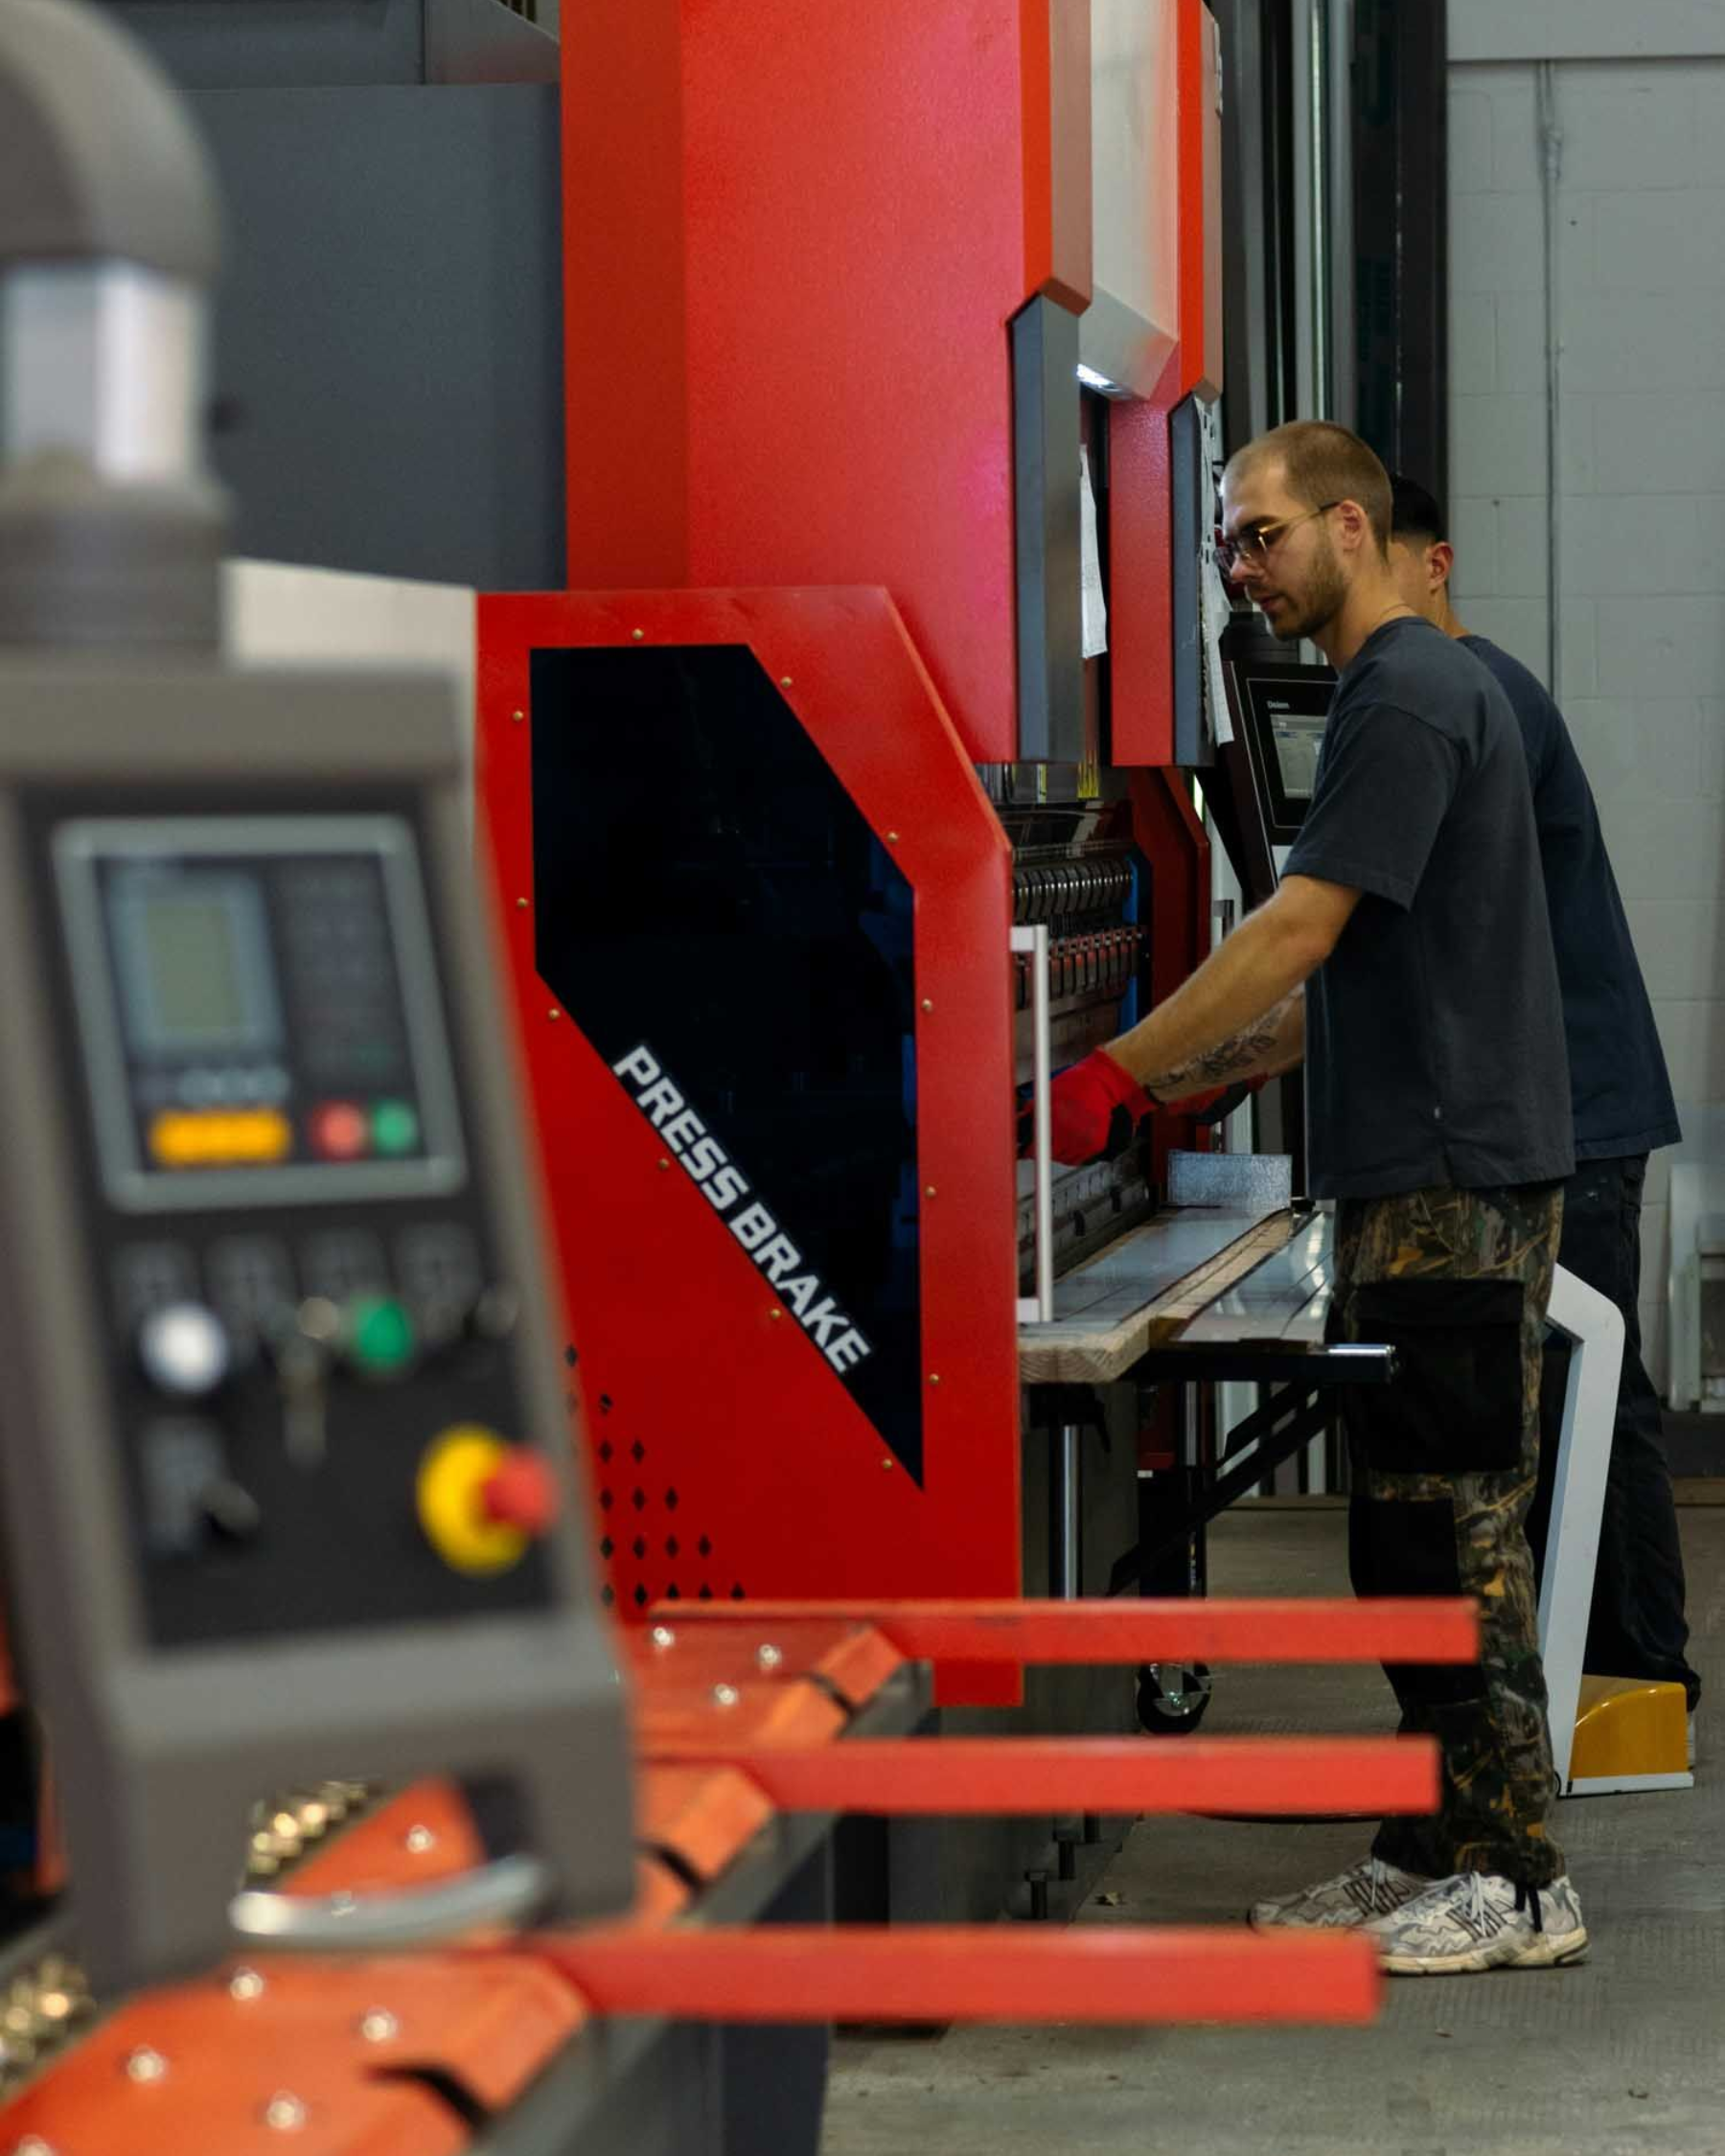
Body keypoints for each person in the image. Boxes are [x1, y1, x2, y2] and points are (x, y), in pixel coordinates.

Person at [1046, 421, 1587, 1975]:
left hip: (1452, 1178)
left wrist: (1123, 1078)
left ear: (1353, 529)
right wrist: (1215, 1073)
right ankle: (1428, 1845)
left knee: (1459, 1532)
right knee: (1401, 1540)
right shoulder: (1395, 693)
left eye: (1261, 535)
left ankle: (1521, 1876)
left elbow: (1295, 927)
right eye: (1227, 542)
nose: (1241, 567)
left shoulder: (1408, 691)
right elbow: (1345, 976)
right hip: (1407, 1170)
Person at [1387, 474, 1698, 1740]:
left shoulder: (1480, 696)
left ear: (1434, 562)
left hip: (1579, 1106)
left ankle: (1642, 1681)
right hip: (1559, 1101)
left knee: (1601, 1393)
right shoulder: (1466, 691)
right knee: (1585, 1390)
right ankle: (1607, 1675)